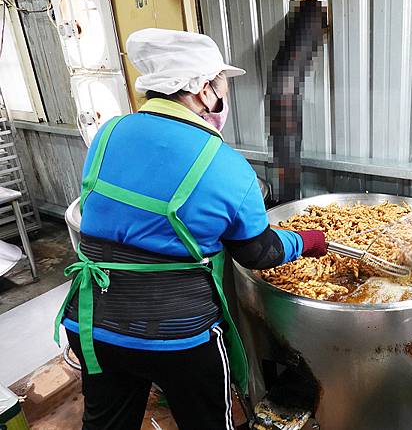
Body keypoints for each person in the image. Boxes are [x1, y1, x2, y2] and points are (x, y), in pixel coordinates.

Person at [53, 28, 327, 430]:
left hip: (91, 320)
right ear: (203, 90)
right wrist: (306, 240)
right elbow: (259, 253)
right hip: (177, 337)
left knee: (105, 424)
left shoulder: (107, 134)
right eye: (222, 86)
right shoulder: (227, 166)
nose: (225, 96)